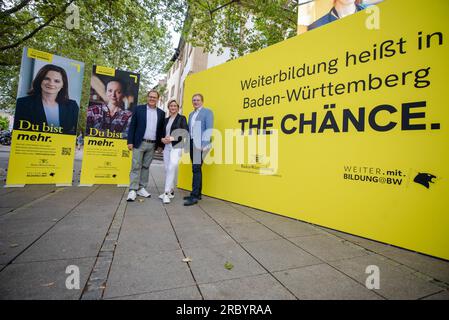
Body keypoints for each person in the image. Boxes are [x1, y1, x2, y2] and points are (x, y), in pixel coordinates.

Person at [14, 64, 79, 135]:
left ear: (63, 85)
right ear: (40, 80)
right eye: (47, 79)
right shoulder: (22, 103)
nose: (51, 83)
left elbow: (75, 132)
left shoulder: (72, 106)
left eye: (57, 81)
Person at [126, 89, 165, 201]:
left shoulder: (161, 113)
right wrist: (130, 141)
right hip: (139, 143)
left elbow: (161, 131)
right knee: (136, 166)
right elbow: (132, 126)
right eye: (150, 97)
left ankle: (141, 188)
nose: (152, 99)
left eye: (154, 97)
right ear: (147, 97)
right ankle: (133, 189)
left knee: (146, 167)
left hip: (152, 145)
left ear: (158, 99)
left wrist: (160, 145)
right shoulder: (139, 109)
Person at [183, 93, 214, 206]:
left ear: (202, 101)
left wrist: (203, 145)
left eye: (198, 100)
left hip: (200, 145)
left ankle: (194, 196)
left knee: (196, 168)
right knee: (196, 168)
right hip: (192, 143)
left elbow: (209, 129)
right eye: (194, 100)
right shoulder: (191, 114)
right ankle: (198, 193)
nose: (195, 102)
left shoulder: (207, 112)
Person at [159, 99, 189, 204]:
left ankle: (166, 193)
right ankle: (171, 191)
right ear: (168, 107)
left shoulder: (182, 118)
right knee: (167, 169)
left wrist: (171, 138)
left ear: (178, 107)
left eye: (175, 106)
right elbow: (162, 133)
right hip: (167, 147)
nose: (173, 107)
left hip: (177, 146)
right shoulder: (166, 120)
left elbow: (185, 132)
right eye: (171, 106)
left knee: (172, 167)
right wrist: (162, 140)